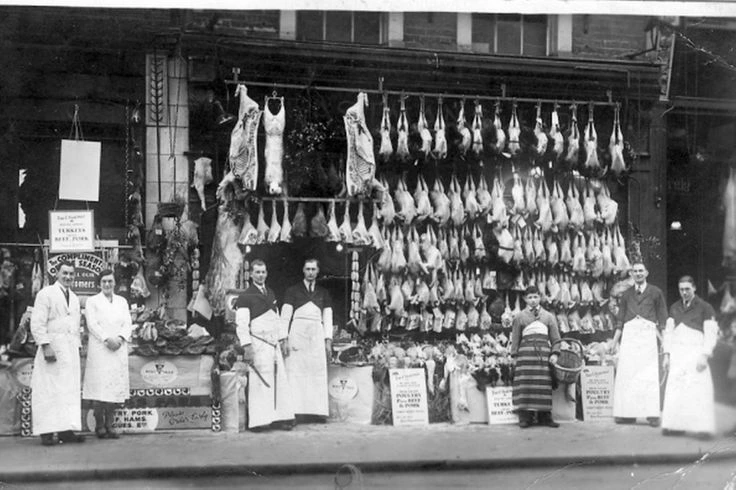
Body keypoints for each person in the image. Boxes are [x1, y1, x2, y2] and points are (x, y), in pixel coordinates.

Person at [234, 259, 295, 432]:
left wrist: (282, 339)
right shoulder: (245, 296)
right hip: (258, 344)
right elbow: (242, 324)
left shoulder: (271, 293)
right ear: (251, 274)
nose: (261, 275)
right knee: (260, 382)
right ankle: (260, 421)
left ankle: (279, 418)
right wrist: (247, 347)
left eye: (263, 272)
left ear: (266, 273)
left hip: (273, 344)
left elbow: (276, 319)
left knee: (278, 381)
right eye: (257, 272)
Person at [30, 260, 84, 446]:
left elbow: (74, 325)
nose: (68, 277)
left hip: (69, 349)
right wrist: (45, 345)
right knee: (48, 390)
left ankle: (65, 431)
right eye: (65, 273)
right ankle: (46, 431)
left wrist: (77, 345)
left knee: (67, 390)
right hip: (52, 347)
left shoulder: (75, 298)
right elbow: (37, 322)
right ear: (57, 274)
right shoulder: (46, 294)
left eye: (71, 274)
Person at [661, 276, 719, 439]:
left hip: (696, 354)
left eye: (687, 289)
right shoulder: (674, 308)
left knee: (698, 389)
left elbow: (711, 334)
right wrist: (667, 355)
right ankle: (675, 425)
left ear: (694, 288)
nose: (684, 292)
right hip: (678, 353)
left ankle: (702, 428)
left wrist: (705, 355)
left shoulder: (705, 307)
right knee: (676, 388)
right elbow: (669, 333)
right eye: (681, 289)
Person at [611, 261, 668, 426]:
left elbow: (662, 319)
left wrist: (664, 341)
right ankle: (628, 414)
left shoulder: (656, 292)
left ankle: (652, 415)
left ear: (647, 273)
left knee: (648, 375)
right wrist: (614, 342)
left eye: (641, 271)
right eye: (635, 271)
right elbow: (620, 320)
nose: (638, 274)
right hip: (629, 337)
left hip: (647, 336)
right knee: (628, 374)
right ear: (631, 274)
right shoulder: (627, 294)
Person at [281, 259, 334, 424]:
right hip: (297, 335)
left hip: (316, 336)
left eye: (313, 269)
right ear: (303, 271)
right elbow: (285, 317)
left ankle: (316, 411)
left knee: (316, 373)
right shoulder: (292, 291)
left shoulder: (323, 292)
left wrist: (328, 339)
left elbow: (328, 316)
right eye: (307, 269)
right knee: (296, 372)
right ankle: (295, 412)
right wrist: (283, 338)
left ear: (318, 271)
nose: (310, 272)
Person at [83, 270, 133, 439]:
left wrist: (120, 338)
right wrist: (107, 339)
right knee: (99, 387)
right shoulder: (92, 301)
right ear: (99, 284)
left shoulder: (122, 301)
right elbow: (92, 324)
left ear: (115, 283)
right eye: (104, 281)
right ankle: (99, 425)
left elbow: (127, 322)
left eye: (110, 281)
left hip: (117, 348)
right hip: (100, 349)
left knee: (113, 387)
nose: (107, 284)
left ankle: (110, 424)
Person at [509, 286, 561, 429]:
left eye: (535, 297)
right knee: (525, 385)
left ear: (540, 298)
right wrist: (514, 356)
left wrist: (555, 353)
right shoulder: (519, 317)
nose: (533, 300)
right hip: (525, 355)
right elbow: (515, 338)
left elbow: (556, 338)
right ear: (525, 299)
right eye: (530, 297)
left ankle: (545, 417)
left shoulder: (549, 316)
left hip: (543, 355)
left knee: (543, 384)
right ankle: (526, 417)